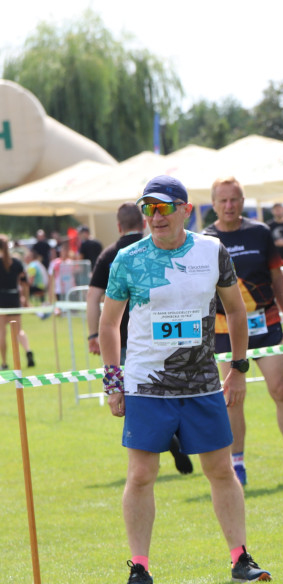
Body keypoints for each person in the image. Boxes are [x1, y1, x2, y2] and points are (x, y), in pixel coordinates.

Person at [99, 174, 271, 584]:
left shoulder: (212, 250)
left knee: (220, 470)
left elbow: (235, 312)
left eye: (163, 207)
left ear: (185, 210)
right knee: (141, 475)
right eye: (148, 208)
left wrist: (239, 367)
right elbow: (107, 324)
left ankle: (240, 558)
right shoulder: (128, 258)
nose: (155, 216)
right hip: (146, 385)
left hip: (202, 384)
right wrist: (113, 382)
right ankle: (139, 569)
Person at [204, 177, 283, 486]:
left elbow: (277, 277)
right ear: (213, 204)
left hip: (266, 323)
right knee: (232, 399)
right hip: (225, 328)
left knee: (280, 389)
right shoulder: (204, 240)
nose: (230, 206)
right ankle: (237, 466)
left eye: (235, 199)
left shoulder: (260, 233)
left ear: (243, 202)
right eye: (223, 200)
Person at [87, 203, 192, 476]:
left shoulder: (111, 255)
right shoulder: (163, 247)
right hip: (167, 336)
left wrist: (93, 334)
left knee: (140, 401)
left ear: (119, 226)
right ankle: (175, 434)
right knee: (173, 390)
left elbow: (93, 297)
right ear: (144, 221)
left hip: (123, 340)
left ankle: (165, 439)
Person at [0, 234, 34, 370]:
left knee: (2, 332)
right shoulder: (17, 262)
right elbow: (25, 283)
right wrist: (26, 299)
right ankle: (28, 351)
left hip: (1, 300)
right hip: (14, 298)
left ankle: (4, 363)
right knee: (19, 331)